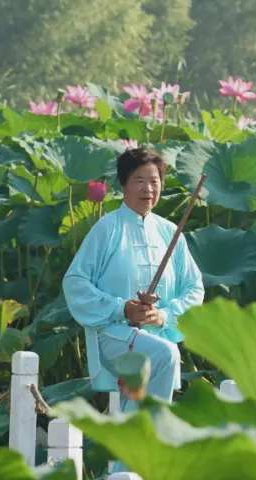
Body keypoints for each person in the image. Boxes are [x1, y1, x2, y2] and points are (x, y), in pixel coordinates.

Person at [63, 146, 204, 412]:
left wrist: (163, 316)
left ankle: (134, 446)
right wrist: (122, 308)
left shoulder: (170, 232)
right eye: (139, 180)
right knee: (164, 354)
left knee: (159, 356)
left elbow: (194, 288)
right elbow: (75, 282)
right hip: (112, 335)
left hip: (158, 334)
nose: (148, 189)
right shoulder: (107, 227)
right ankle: (144, 440)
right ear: (123, 184)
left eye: (154, 181)